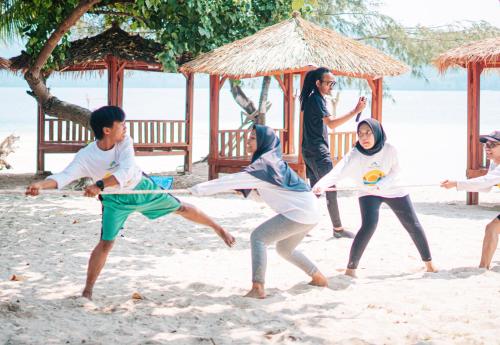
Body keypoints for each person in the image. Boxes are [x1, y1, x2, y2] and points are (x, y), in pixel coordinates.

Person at [25, 106, 235, 300]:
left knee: (182, 208)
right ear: (107, 130)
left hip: (141, 189)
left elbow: (125, 171)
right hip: (114, 201)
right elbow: (64, 176)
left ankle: (218, 228)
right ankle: (87, 291)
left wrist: (98, 185)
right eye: (121, 124)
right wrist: (41, 186)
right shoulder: (86, 156)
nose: (125, 128)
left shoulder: (125, 141)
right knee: (106, 242)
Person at [189, 125, 328, 299]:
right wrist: (246, 192)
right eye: (249, 137)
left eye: (253, 137)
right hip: (311, 213)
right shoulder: (272, 163)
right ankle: (319, 277)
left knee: (258, 237)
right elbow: (268, 194)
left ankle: (258, 287)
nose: (248, 140)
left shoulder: (265, 166)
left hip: (300, 213)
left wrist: (197, 189)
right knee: (285, 249)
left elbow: (231, 180)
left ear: (264, 142)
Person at [313, 118, 437, 277]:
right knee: (369, 225)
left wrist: (382, 184)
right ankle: (350, 270)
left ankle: (429, 264)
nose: (364, 137)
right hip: (368, 192)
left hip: (394, 189)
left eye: (368, 133)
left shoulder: (390, 149)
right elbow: (337, 172)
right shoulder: (355, 154)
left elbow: (397, 172)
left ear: (377, 133)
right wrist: (321, 185)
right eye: (360, 134)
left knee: (412, 224)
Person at [300, 67, 366, 239]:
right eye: (329, 83)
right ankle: (337, 229)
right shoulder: (316, 99)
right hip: (317, 151)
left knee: (316, 190)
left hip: (309, 150)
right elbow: (331, 124)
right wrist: (355, 111)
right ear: (318, 83)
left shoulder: (312, 99)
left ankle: (300, 225)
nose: (332, 86)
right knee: (330, 188)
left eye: (333, 83)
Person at [441, 130, 500, 269]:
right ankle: (483, 267)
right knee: (491, 228)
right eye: (486, 144)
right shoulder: (494, 164)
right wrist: (458, 185)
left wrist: (457, 183)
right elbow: (486, 187)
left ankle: (483, 268)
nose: (487, 147)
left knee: (492, 228)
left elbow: (485, 182)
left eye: (493, 144)